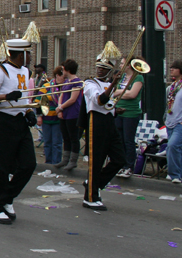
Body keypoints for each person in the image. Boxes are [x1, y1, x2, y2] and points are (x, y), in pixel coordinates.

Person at [0, 39, 38, 224]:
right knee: (2, 167)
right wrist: (6, 96)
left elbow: (25, 96)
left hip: (20, 120)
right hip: (3, 121)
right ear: (21, 54)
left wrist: (29, 111)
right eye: (28, 53)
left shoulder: (24, 70)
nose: (30, 56)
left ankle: (7, 198)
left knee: (28, 164)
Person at [81, 50, 125, 210]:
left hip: (109, 121)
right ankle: (90, 198)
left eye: (104, 68)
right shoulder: (89, 83)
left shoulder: (109, 84)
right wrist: (113, 84)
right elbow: (100, 100)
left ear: (110, 70)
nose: (100, 70)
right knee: (96, 161)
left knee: (120, 159)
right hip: (96, 122)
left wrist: (115, 110)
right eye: (98, 67)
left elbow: (108, 104)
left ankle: (94, 183)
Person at [112, 57, 145, 178]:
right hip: (118, 111)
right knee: (119, 140)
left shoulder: (138, 78)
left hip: (130, 113)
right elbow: (113, 92)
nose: (120, 65)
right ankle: (121, 165)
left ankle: (129, 166)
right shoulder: (121, 77)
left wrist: (120, 93)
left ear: (129, 65)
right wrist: (121, 92)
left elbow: (132, 94)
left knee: (128, 140)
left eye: (122, 63)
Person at [54, 59, 82, 171]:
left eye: (63, 69)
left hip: (73, 113)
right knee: (66, 137)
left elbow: (73, 98)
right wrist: (60, 108)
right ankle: (65, 159)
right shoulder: (66, 82)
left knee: (73, 137)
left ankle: (73, 161)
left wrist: (61, 107)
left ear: (68, 70)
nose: (62, 71)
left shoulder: (77, 82)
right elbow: (62, 95)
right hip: (64, 113)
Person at [39, 66, 64, 165]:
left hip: (58, 119)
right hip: (46, 119)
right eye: (63, 77)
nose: (65, 79)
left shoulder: (65, 87)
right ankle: (48, 162)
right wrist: (39, 116)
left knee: (57, 143)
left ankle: (56, 162)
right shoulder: (46, 86)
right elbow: (38, 102)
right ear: (57, 75)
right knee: (48, 142)